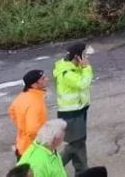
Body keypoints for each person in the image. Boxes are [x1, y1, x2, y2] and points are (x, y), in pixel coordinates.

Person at [53, 43, 95, 172]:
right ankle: (52, 167)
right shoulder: (66, 72)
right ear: (77, 57)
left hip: (79, 110)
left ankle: (81, 170)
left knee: (79, 141)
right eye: (85, 55)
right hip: (71, 113)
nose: (87, 58)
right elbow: (83, 83)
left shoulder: (74, 66)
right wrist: (87, 67)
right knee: (76, 144)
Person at [16, 120, 108, 177]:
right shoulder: (38, 167)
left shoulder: (46, 147)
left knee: (100, 172)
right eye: (63, 135)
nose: (65, 137)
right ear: (55, 140)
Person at [8, 70, 49, 158]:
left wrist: (22, 126)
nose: (47, 79)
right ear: (34, 84)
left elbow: (12, 111)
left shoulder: (22, 96)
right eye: (43, 78)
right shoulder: (35, 102)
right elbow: (33, 129)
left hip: (22, 145)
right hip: (33, 150)